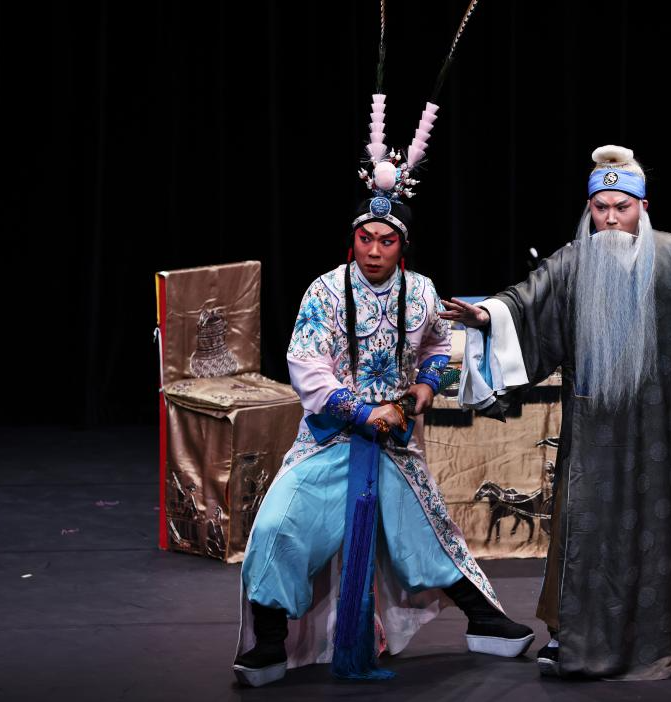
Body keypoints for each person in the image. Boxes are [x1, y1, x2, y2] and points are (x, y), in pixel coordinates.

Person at [232, 95, 533, 687]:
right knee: (277, 527)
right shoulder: (324, 291)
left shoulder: (421, 292)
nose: (374, 250)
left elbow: (438, 346)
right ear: (353, 240)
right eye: (365, 238)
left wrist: (424, 389)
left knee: (427, 531)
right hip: (329, 440)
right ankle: (269, 643)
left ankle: (485, 619)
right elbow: (306, 366)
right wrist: (361, 411)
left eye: (386, 241)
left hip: (393, 441)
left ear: (403, 245)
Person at [440, 145, 671, 680]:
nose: (611, 218)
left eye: (622, 207)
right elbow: (524, 302)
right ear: (589, 208)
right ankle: (577, 634)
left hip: (668, 427)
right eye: (601, 208)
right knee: (590, 531)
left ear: (643, 206)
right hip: (599, 431)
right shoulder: (573, 262)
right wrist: (486, 315)